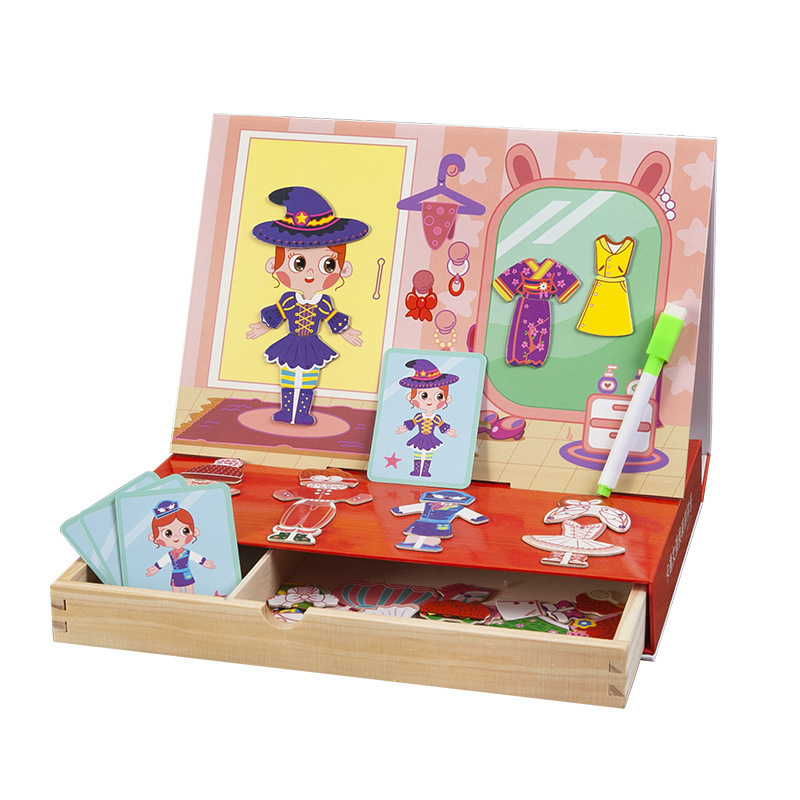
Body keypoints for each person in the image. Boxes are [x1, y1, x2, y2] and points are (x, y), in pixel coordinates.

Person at [246, 186, 369, 425]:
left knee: (308, 380)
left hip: (313, 344)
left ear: (343, 269)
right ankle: (286, 411)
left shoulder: (323, 303)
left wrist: (347, 332)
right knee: (288, 378)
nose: (310, 273)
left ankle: (302, 413)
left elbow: (333, 318)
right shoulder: (288, 300)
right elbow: (277, 315)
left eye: (327, 265)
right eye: (299, 264)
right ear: (274, 265)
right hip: (290, 343)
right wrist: (262, 326)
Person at [395, 358, 458, 478]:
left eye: (439, 396)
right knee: (418, 453)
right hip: (419, 437)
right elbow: (412, 423)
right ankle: (416, 470)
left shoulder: (436, 418)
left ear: (447, 398)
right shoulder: (419, 417)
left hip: (430, 438)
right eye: (424, 395)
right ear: (410, 397)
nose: (429, 400)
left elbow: (441, 426)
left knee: (428, 454)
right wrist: (403, 428)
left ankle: (425, 471)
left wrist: (449, 431)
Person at [145, 500, 215, 593]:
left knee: (189, 589)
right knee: (176, 591)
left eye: (185, 531)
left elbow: (197, 558)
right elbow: (162, 562)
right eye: (168, 533)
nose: (175, 537)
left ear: (195, 531)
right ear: (153, 537)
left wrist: (205, 562)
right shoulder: (170, 555)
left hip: (186, 573)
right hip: (176, 575)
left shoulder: (187, 553)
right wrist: (155, 569)